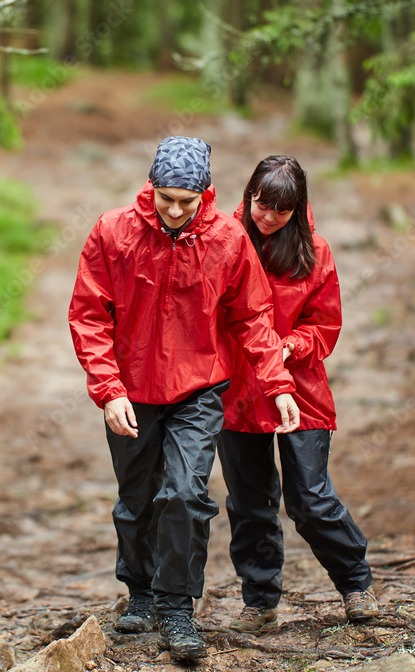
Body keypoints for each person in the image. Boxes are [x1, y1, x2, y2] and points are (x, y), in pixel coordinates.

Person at [68, 137, 302, 661]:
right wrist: (108, 390)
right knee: (135, 500)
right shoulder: (112, 231)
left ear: (206, 195)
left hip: (199, 389)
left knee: (185, 494)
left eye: (186, 201)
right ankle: (140, 591)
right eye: (165, 198)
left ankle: (177, 608)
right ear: (151, 187)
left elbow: (252, 318)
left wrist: (279, 386)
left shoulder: (227, 239)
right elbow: (88, 315)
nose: (174, 211)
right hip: (129, 392)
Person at [217, 155, 378, 634]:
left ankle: (356, 584)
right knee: (249, 502)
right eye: (260, 204)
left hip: (301, 388)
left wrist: (291, 346)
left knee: (310, 499)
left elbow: (325, 326)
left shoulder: (315, 252)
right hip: (238, 390)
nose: (266, 216)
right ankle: (260, 600)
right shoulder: (224, 241)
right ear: (249, 195)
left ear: (297, 209)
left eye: (279, 211)